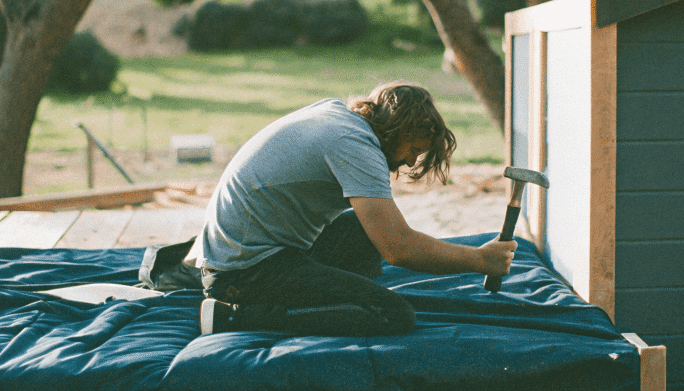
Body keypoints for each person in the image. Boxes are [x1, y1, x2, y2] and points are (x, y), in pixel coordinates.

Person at [185, 81, 517, 337]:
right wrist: (479, 259)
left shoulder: (339, 117)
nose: (411, 161)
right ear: (396, 130)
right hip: (243, 274)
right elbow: (398, 248)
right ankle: (235, 318)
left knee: (362, 231)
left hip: (248, 253)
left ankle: (335, 298)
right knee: (393, 315)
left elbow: (386, 236)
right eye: (414, 148)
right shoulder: (355, 145)